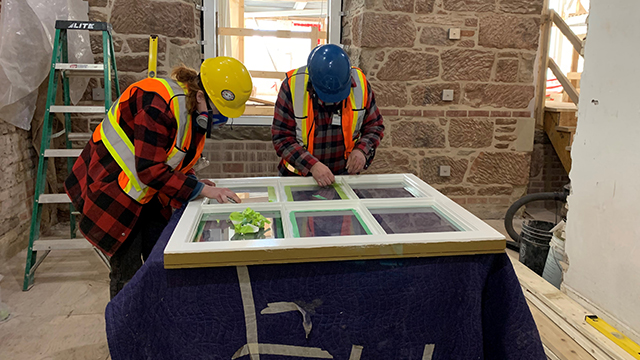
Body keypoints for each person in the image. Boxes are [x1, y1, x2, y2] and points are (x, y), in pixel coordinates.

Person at [65, 57, 252, 299]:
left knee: (160, 260)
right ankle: (128, 333)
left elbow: (174, 156)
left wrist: (192, 181)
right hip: (112, 189)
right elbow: (150, 169)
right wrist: (202, 191)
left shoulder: (192, 111)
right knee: (128, 276)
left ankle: (154, 322)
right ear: (200, 96)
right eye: (217, 111)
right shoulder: (158, 104)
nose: (219, 120)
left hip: (148, 193)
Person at [272, 44, 384, 186]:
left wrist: (362, 151)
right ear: (312, 81)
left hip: (343, 178)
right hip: (297, 179)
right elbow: (281, 138)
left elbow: (375, 127)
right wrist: (312, 165)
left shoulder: (361, 85)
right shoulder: (292, 86)